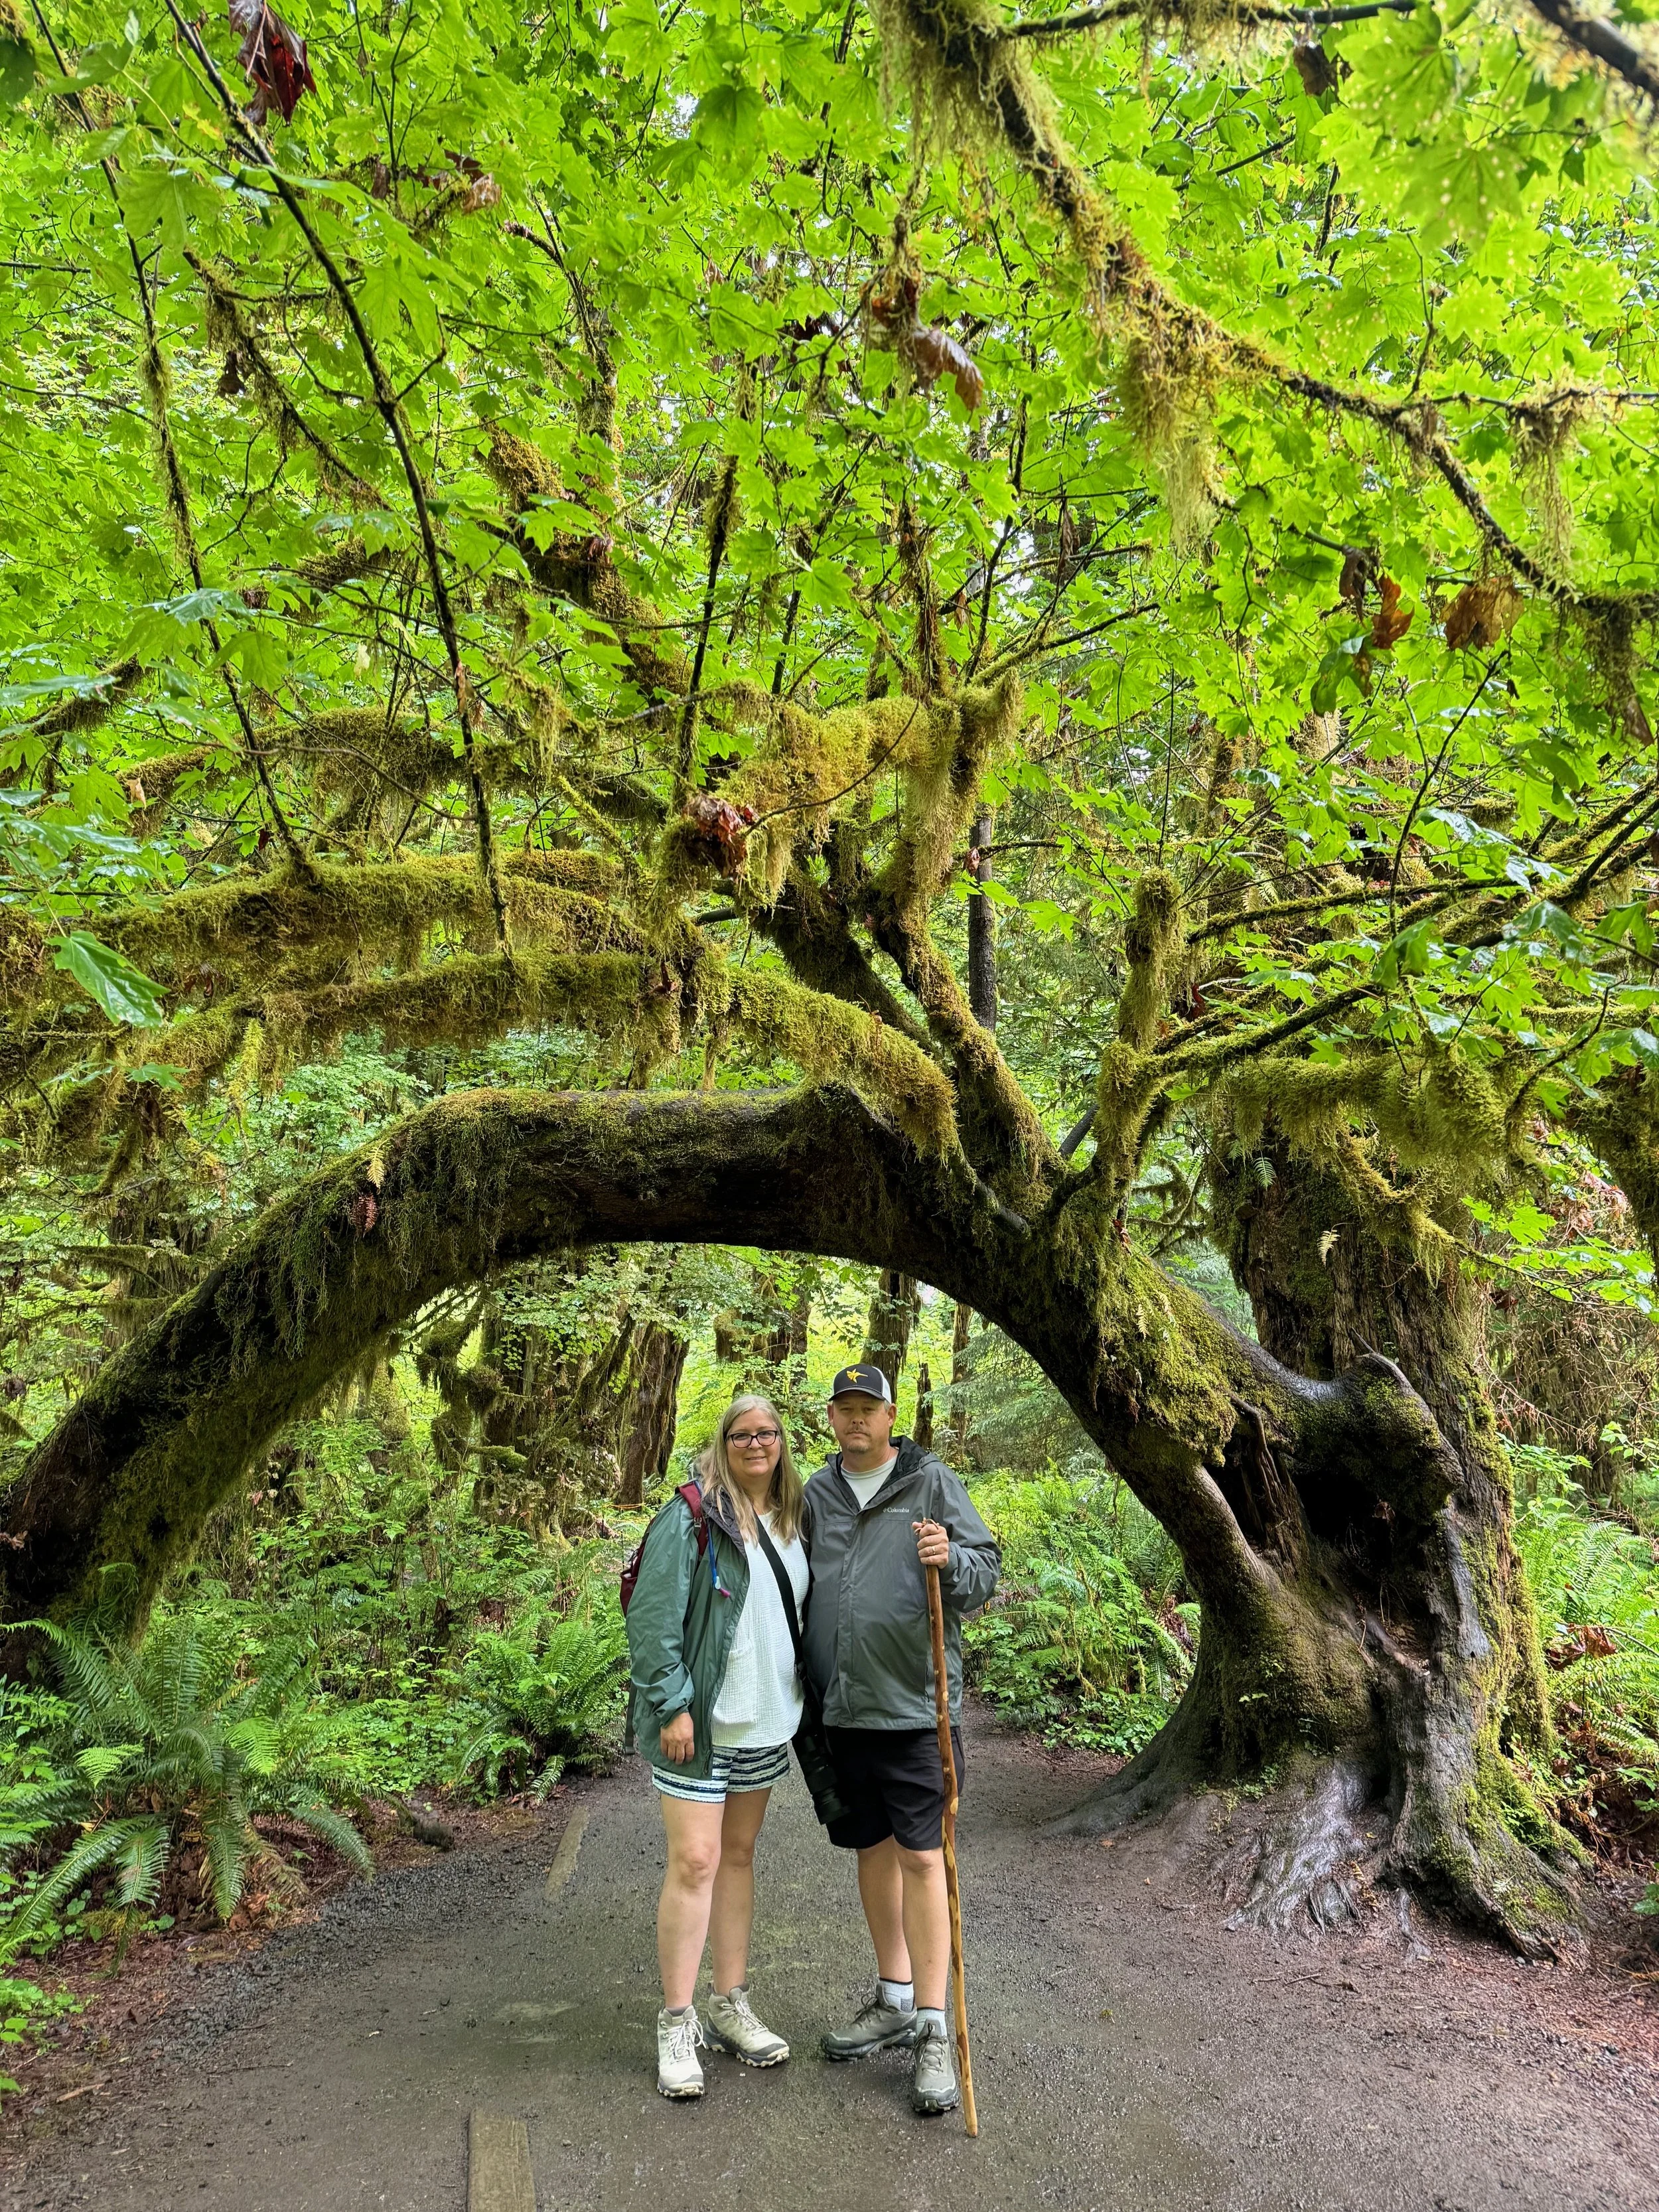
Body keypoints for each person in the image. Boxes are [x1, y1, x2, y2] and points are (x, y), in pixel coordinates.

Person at [801, 1361, 1000, 2117]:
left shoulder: (930, 1484)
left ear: (891, 1417)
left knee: (923, 1857)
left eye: (869, 1408)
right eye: (844, 1408)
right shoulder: (814, 1494)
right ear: (831, 1418)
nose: (857, 1420)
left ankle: (931, 2024)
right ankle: (891, 1996)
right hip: (840, 1710)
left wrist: (951, 1561)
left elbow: (984, 1569)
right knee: (872, 1850)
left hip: (915, 1708)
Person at [624, 1394, 810, 2100]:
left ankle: (729, 2002)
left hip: (766, 1720)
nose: (756, 1444)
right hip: (700, 1725)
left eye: (767, 1433)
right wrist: (671, 1705)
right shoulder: (693, 1515)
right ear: (724, 1442)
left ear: (782, 1442)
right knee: (696, 1860)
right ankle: (677, 2022)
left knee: (736, 1856)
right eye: (742, 1434)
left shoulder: (794, 1517)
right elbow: (653, 1619)